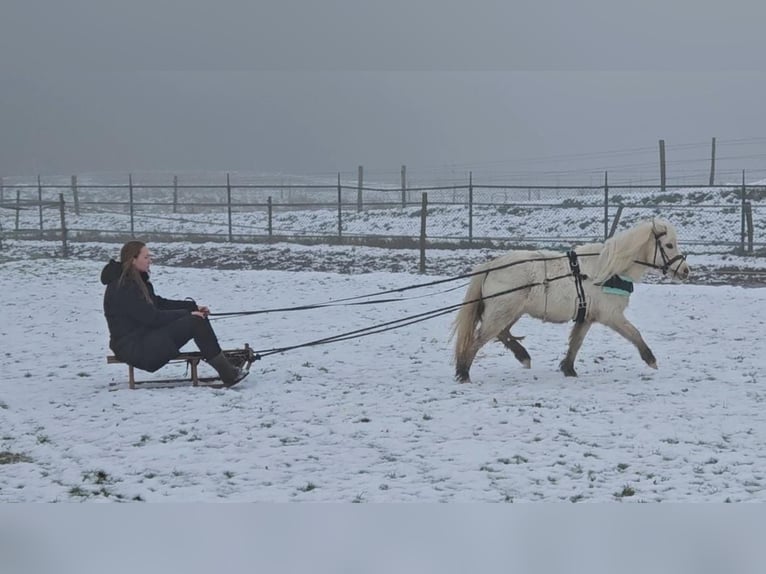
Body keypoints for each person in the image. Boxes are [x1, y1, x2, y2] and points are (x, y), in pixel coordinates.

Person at [101, 240, 248, 387]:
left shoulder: (134, 281)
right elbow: (152, 317)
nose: (150, 261)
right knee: (195, 322)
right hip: (135, 348)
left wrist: (193, 307)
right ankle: (228, 373)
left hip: (144, 338)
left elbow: (159, 304)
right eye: (146, 257)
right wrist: (188, 314)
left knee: (197, 318)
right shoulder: (124, 287)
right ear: (133, 259)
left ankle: (225, 365)